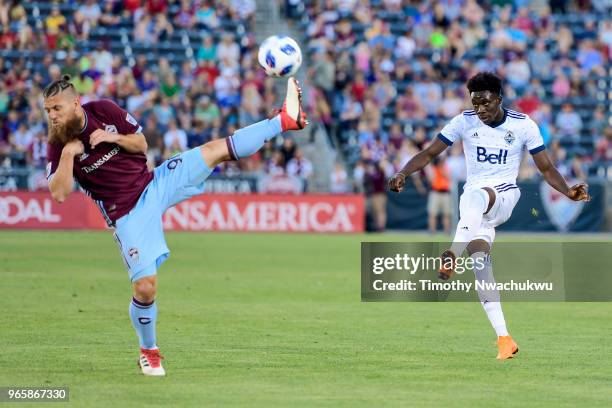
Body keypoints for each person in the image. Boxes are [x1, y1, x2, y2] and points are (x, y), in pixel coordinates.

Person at [44, 74, 307, 376]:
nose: (52, 116)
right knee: (145, 287)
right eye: (48, 110)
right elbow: (59, 193)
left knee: (215, 150)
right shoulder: (57, 143)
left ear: (76, 103)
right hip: (127, 214)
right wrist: (68, 153)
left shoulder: (103, 110)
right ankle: (149, 351)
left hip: (154, 182)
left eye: (57, 109)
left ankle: (285, 120)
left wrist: (112, 137)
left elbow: (141, 143)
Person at [388, 72, 590, 360]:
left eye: (485, 103)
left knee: (476, 195)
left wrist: (568, 191)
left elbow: (545, 168)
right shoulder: (464, 121)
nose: (480, 109)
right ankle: (504, 339)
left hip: (504, 195)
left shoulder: (523, 125)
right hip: (473, 210)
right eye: (475, 103)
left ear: (499, 99)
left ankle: (451, 254)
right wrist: (402, 172)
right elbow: (430, 153)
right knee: (481, 265)